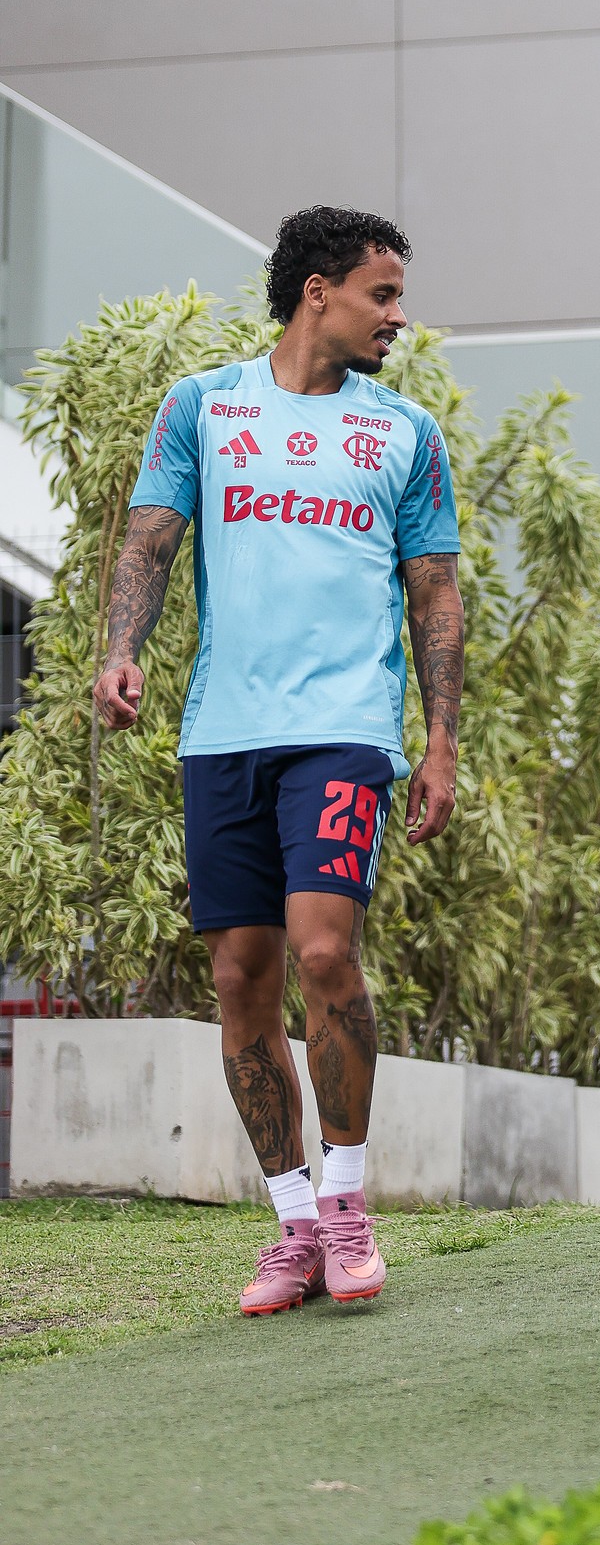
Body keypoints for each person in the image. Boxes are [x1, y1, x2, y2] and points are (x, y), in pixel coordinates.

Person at [92, 207, 464, 1316]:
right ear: (317, 290)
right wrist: (121, 649)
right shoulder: (203, 405)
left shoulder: (405, 432)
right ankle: (292, 1223)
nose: (398, 315)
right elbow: (151, 538)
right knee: (241, 977)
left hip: (348, 727)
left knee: (323, 949)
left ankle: (348, 1206)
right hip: (224, 729)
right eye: (381, 294)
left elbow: (434, 591)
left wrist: (440, 737)